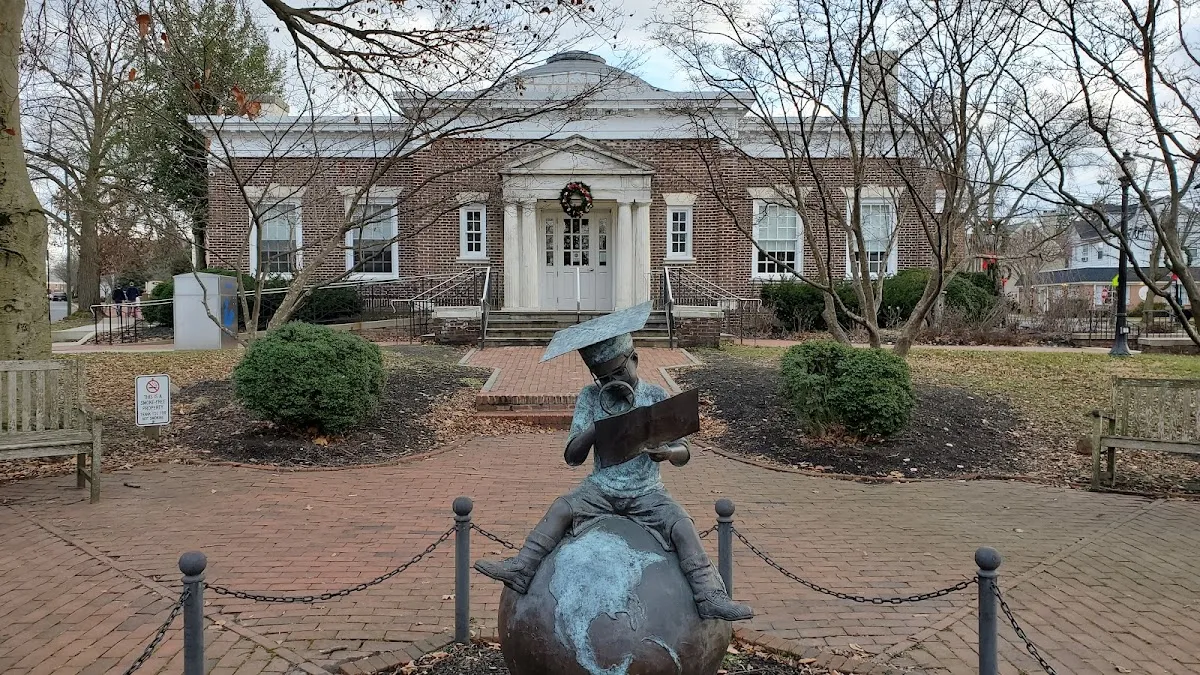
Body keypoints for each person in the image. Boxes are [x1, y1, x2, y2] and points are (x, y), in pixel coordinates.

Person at [474, 303, 753, 621]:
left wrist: (669, 453)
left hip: (648, 492)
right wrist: (595, 428)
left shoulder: (655, 395)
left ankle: (708, 596)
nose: (613, 382)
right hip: (600, 489)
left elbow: (684, 451)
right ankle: (523, 569)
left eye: (619, 372)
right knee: (561, 508)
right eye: (604, 378)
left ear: (634, 360)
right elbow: (572, 457)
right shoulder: (590, 399)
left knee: (682, 526)